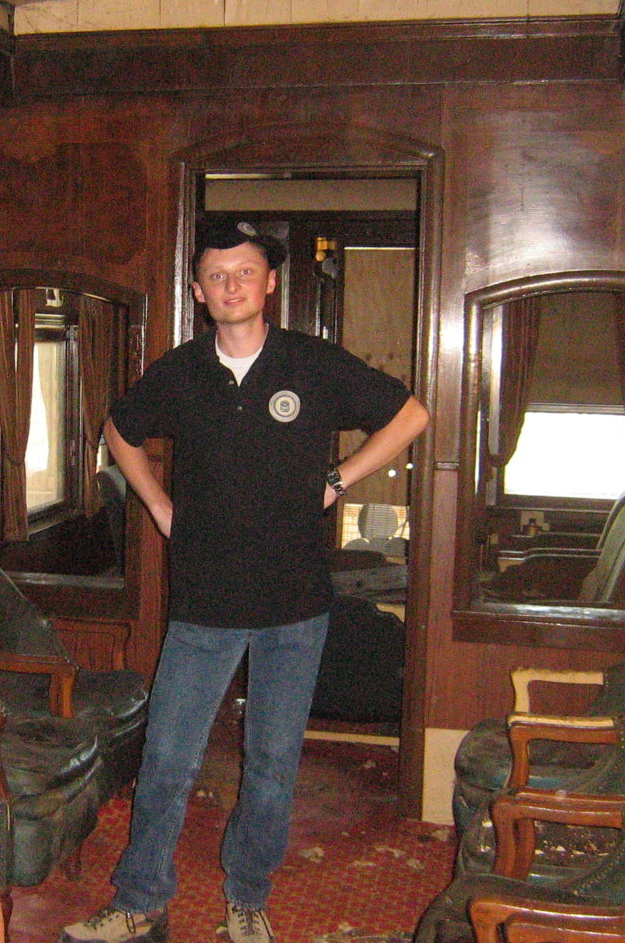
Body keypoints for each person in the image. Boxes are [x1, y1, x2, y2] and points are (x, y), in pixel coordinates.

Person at [60, 221, 429, 943]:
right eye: (217, 275)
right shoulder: (181, 371)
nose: (231, 285)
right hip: (205, 602)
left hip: (295, 604)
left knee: (271, 763)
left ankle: (248, 897)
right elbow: (118, 430)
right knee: (168, 760)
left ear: (270, 284)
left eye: (246, 272)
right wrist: (158, 504)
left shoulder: (312, 363)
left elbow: (411, 414)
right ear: (199, 292)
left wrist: (338, 480)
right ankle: (140, 900)